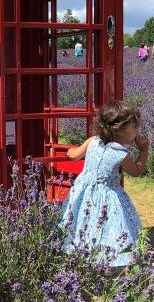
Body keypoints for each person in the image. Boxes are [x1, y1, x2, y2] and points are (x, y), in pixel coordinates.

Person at [61, 100, 148, 268]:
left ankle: (79, 253)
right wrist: (144, 150)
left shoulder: (92, 141)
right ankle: (108, 258)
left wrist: (67, 150)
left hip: (82, 192)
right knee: (109, 225)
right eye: (135, 127)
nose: (137, 131)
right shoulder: (120, 153)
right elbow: (136, 172)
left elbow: (73, 155)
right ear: (119, 129)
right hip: (108, 195)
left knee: (83, 221)